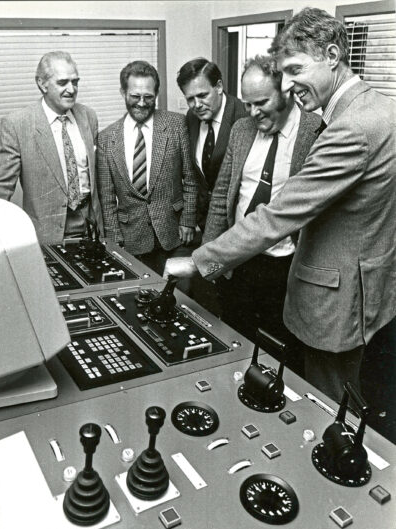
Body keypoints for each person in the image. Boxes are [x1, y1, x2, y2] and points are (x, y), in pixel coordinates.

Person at [164, 7, 396, 403]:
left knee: (327, 409)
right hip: (366, 292)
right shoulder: (379, 107)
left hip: (335, 305)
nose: (287, 85)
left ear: (332, 56)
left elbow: (281, 213)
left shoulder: (350, 127)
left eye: (295, 69)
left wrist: (199, 261)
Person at [203, 55, 320, 370]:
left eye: (261, 102)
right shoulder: (242, 129)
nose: (252, 112)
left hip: (286, 269)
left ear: (286, 91)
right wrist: (211, 262)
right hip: (238, 262)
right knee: (234, 343)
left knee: (282, 355)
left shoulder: (317, 131)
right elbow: (220, 200)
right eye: (247, 103)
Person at [0, 51, 103, 244]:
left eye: (75, 82)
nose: (71, 89)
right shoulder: (18, 124)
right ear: (42, 84)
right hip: (47, 235)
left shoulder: (88, 116)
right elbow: (0, 189)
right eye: (63, 82)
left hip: (91, 230)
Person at [96, 60, 198, 276]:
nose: (142, 103)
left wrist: (188, 220)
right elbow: (106, 197)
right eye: (135, 96)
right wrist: (114, 239)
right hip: (130, 240)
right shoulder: (106, 139)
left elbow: (190, 178)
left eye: (148, 97)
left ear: (157, 93)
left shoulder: (177, 125)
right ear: (123, 92)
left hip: (174, 235)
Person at [176, 57, 247, 233]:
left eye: (202, 95)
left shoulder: (244, 117)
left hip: (236, 223)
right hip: (204, 220)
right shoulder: (191, 118)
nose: (197, 105)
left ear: (219, 87)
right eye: (190, 99)